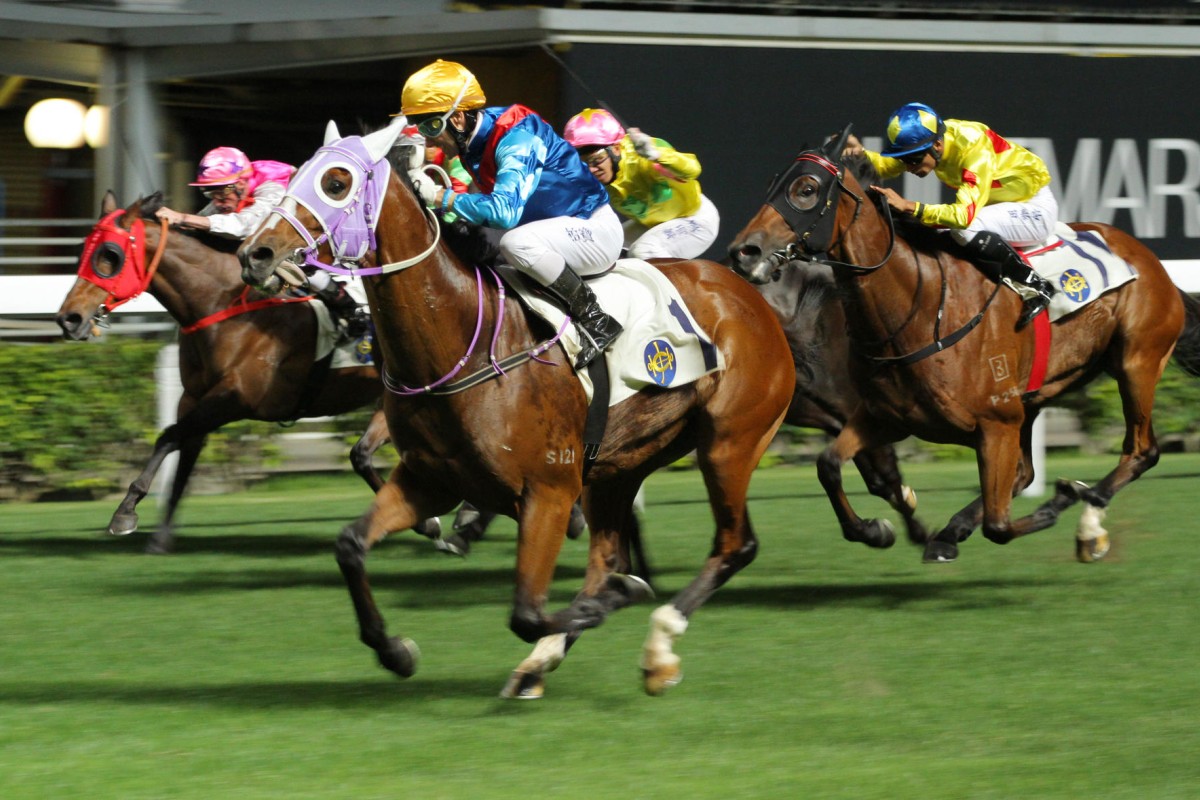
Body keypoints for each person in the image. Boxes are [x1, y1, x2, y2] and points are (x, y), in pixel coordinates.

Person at [398, 59, 624, 369]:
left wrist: (440, 197)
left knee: (516, 243)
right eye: (419, 126)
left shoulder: (516, 135)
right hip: (552, 231)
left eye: (431, 125)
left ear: (459, 118)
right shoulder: (471, 142)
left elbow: (503, 213)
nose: (429, 137)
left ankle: (596, 319)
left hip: (592, 229)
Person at [844, 102, 1056, 330]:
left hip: (1032, 209)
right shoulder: (934, 140)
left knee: (963, 229)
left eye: (913, 159)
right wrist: (863, 155)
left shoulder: (973, 148)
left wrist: (909, 206)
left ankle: (1034, 285)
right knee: (939, 234)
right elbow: (888, 165)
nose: (907, 166)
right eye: (904, 158)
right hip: (1002, 206)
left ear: (937, 145)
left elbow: (963, 216)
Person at [156, 146, 365, 337]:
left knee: (290, 259)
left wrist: (183, 218)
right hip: (299, 230)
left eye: (223, 190)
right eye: (210, 191)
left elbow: (246, 225)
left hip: (336, 230)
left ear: (241, 183)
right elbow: (203, 220)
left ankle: (348, 307)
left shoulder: (273, 186)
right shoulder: (232, 191)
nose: (217, 200)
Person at [562, 107, 719, 260]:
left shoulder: (642, 158)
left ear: (616, 149)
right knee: (604, 251)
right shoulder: (587, 177)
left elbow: (693, 169)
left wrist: (658, 155)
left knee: (645, 251)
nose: (591, 169)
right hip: (651, 224)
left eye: (597, 159)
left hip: (694, 218)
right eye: (582, 163)